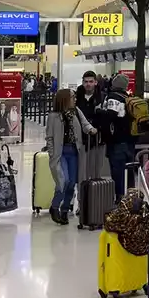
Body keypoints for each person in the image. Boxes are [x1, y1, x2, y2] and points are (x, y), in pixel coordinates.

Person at [45, 87, 94, 225]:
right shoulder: (53, 116)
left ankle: (65, 209)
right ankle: (54, 207)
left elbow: (85, 124)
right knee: (63, 181)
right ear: (65, 99)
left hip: (74, 152)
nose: (75, 99)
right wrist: (52, 153)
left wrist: (91, 129)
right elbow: (49, 137)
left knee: (72, 183)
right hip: (60, 154)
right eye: (72, 97)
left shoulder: (76, 112)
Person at [97, 73, 137, 198]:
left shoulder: (114, 97)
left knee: (117, 171)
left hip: (117, 141)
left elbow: (111, 115)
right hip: (129, 140)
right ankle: (130, 196)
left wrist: (98, 111)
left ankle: (119, 197)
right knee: (129, 170)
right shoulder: (128, 97)